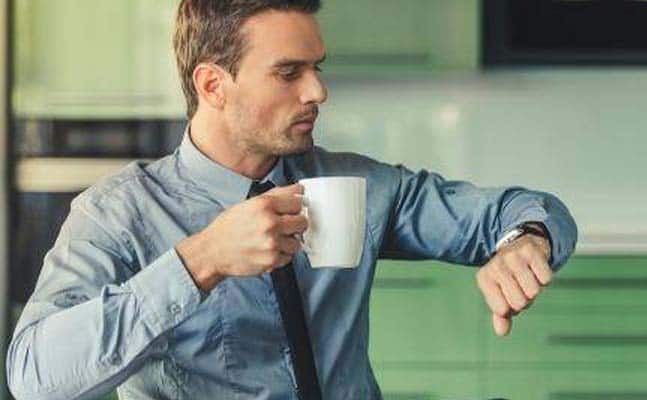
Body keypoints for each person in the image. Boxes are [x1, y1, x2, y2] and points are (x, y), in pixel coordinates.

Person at [6, 1, 577, 399]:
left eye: (316, 67)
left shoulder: (357, 186)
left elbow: (519, 209)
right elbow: (34, 377)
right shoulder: (119, 214)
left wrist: (526, 241)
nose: (317, 91)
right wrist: (201, 261)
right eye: (289, 72)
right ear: (213, 85)